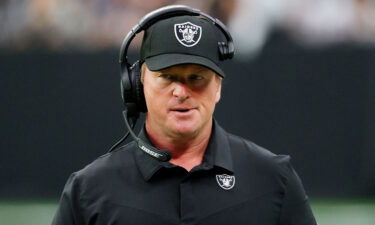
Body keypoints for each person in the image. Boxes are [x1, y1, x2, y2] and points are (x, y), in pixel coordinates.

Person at [52, 5, 317, 225]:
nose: (181, 91)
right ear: (138, 82)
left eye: (196, 78)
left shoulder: (272, 179)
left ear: (218, 87)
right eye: (167, 77)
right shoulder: (90, 190)